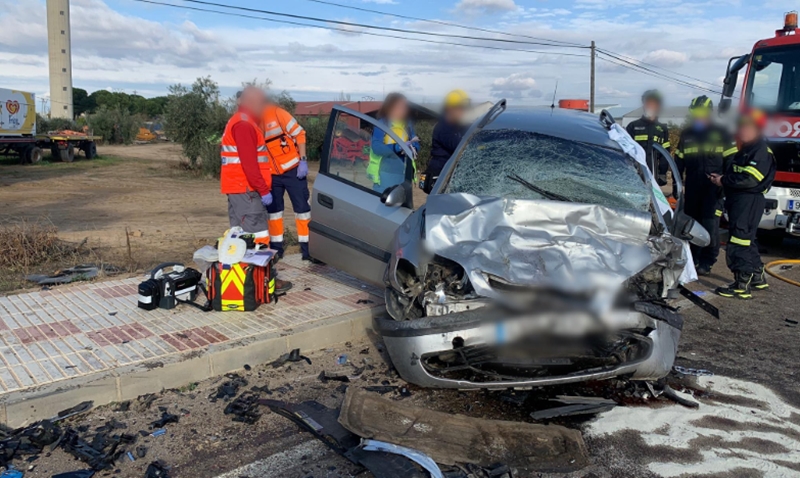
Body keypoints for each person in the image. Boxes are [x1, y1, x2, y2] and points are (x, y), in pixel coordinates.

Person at [219, 86, 291, 292]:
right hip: (248, 191)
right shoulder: (244, 125)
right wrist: (263, 190)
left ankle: (245, 281)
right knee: (257, 236)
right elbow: (250, 164)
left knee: (240, 237)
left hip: (238, 189)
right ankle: (266, 281)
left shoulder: (241, 121)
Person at [710, 110, 776, 299]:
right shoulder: (747, 149)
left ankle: (741, 284)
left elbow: (749, 180)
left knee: (739, 241)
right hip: (741, 200)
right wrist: (723, 179)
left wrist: (723, 181)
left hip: (748, 200)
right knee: (748, 239)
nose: (742, 131)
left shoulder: (760, 151)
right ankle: (757, 277)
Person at [674, 96, 737, 276]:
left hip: (713, 189)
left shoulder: (722, 133)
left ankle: (708, 261)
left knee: (710, 225)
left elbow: (731, 161)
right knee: (691, 225)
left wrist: (725, 183)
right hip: (693, 188)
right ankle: (692, 258)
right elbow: (679, 161)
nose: (698, 117)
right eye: (695, 114)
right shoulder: (687, 134)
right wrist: (676, 186)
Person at [260, 97, 312, 260]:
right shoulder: (253, 121)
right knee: (273, 213)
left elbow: (300, 134)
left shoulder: (277, 113)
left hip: (293, 171)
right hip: (271, 175)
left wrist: (302, 161)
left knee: (303, 211)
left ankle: (308, 249)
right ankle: (276, 249)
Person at [367, 93, 420, 193]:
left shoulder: (407, 125)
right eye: (400, 107)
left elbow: (416, 143)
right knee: (384, 204)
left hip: (404, 174)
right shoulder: (382, 124)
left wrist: (413, 148)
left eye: (405, 107)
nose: (403, 110)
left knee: (402, 205)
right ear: (390, 107)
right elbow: (376, 146)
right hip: (385, 174)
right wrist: (397, 148)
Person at [423, 89, 470, 194]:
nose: (464, 111)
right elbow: (459, 145)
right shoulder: (443, 128)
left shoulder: (458, 126)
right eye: (461, 108)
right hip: (440, 177)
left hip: (451, 176)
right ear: (450, 108)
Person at [627, 90, 671, 184]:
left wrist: (662, 173)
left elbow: (665, 154)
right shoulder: (633, 126)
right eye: (648, 103)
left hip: (653, 176)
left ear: (658, 107)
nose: (650, 106)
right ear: (643, 105)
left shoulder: (662, 129)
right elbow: (626, 151)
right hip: (635, 175)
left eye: (653, 104)